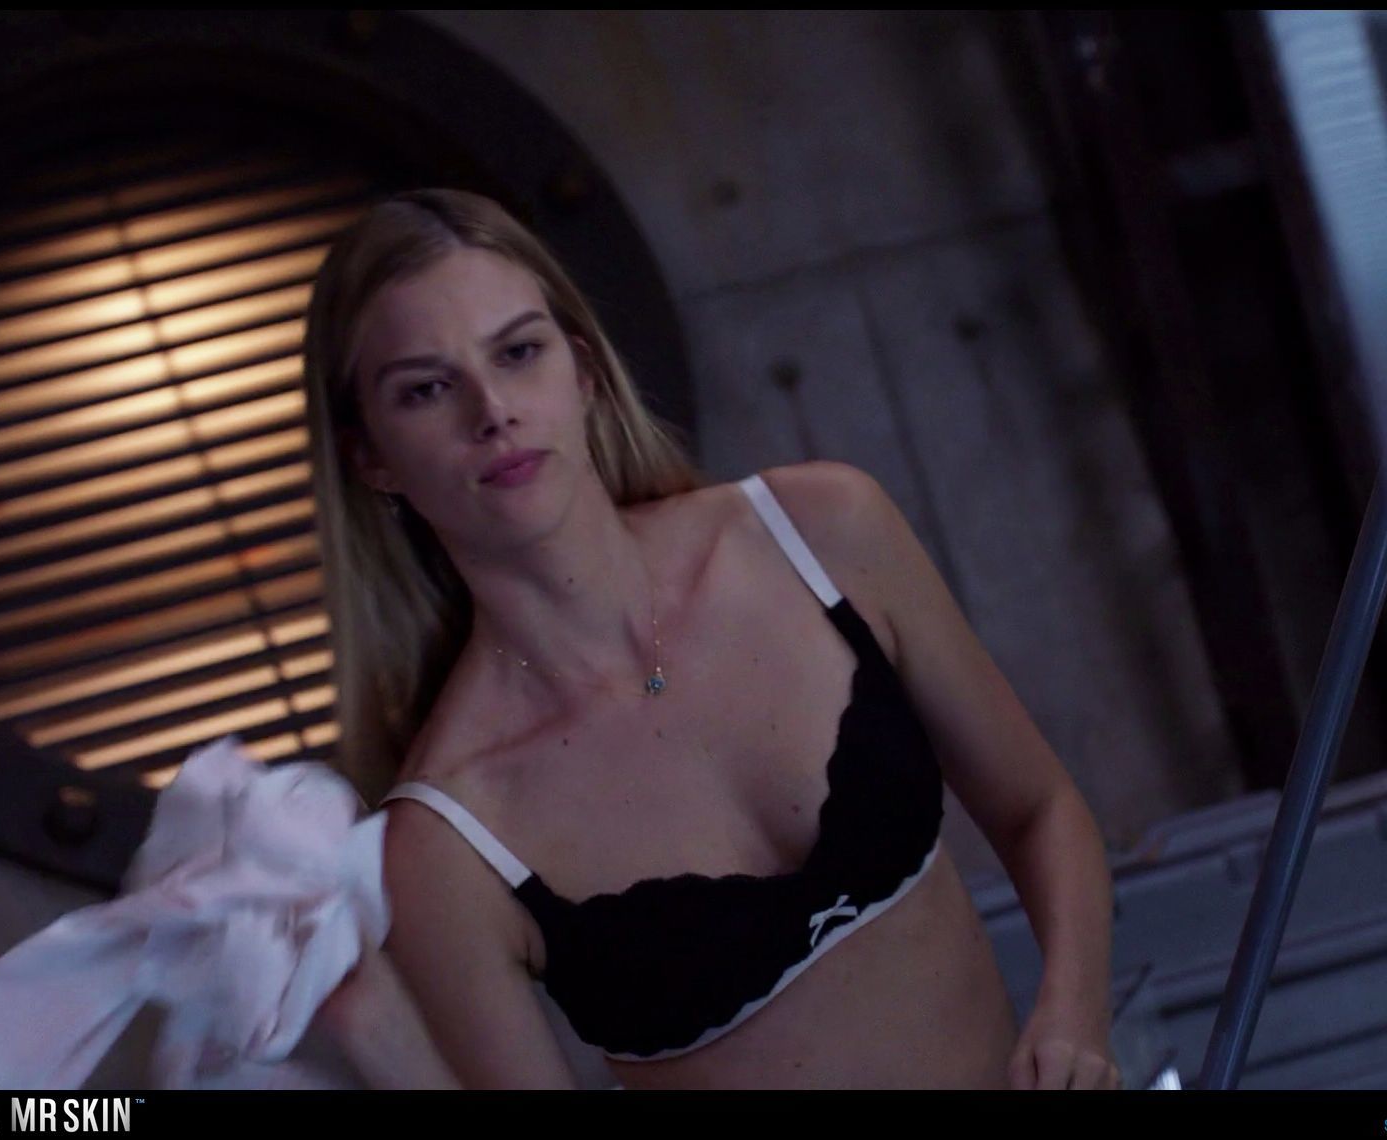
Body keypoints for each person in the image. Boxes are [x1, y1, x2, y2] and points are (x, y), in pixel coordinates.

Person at [300, 188, 1119, 1089]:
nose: (492, 410)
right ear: (370, 457)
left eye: (519, 352)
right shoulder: (445, 841)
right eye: (427, 389)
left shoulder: (821, 533)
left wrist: (1073, 1014)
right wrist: (375, 1033)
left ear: (583, 372)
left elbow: (1040, 809)